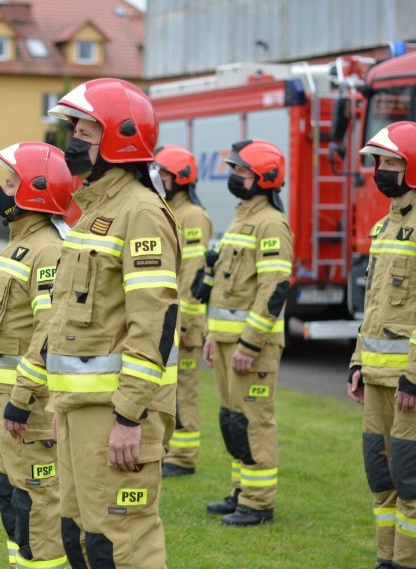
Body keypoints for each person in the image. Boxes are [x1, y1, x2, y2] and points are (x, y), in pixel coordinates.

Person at [39, 78, 180, 568]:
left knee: (123, 541)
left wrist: (129, 417)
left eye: (84, 130)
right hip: (82, 406)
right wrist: (62, 400)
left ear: (119, 138)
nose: (72, 140)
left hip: (119, 412)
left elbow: (155, 321)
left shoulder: (141, 212)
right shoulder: (94, 212)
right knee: (80, 534)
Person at [347, 121, 416, 569]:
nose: (380, 170)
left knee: (414, 476)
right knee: (383, 474)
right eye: (379, 162)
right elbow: (375, 306)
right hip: (378, 379)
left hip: (415, 382)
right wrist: (357, 363)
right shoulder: (386, 226)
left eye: (390, 162)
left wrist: (414, 377)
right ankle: (388, 559)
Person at [0, 141, 72, 569]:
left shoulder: (47, 249)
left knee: (36, 498)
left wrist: (22, 399)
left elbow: (47, 334)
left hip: (23, 403)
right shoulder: (16, 245)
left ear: (35, 190)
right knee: (11, 494)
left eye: (11, 181)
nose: (2, 189)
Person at [200, 139, 292, 526]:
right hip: (224, 342)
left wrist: (250, 343)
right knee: (233, 420)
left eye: (241, 171)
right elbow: (223, 283)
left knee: (254, 421)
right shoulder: (242, 218)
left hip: (251, 347)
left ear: (264, 177)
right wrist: (211, 335)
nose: (233, 176)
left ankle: (258, 502)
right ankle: (241, 491)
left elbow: (273, 288)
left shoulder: (271, 223)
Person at [155, 145, 213, 478]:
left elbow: (192, 273)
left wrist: (186, 321)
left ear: (182, 178)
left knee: (184, 389)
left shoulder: (191, 216)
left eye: (165, 175)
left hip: (184, 321)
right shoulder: (168, 210)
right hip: (169, 319)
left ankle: (184, 455)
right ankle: (169, 448)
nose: (159, 180)